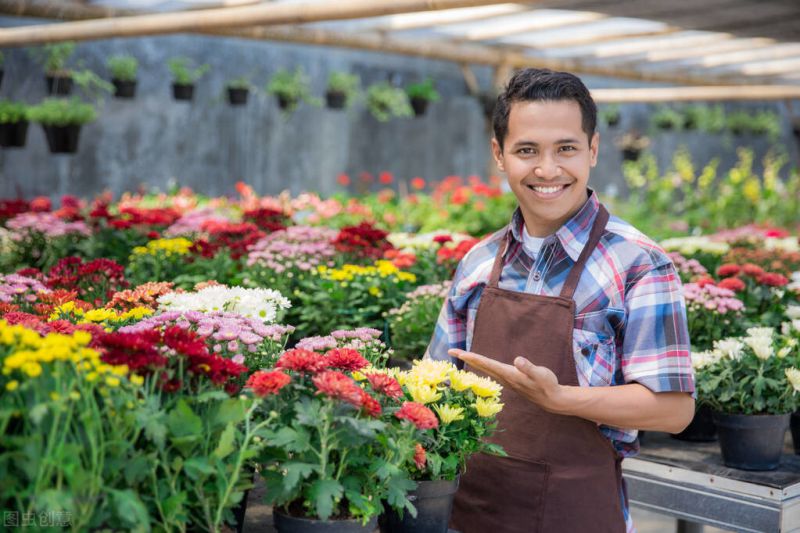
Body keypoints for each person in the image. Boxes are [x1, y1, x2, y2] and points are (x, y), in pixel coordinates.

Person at [425, 68, 695, 533]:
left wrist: (561, 398)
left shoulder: (638, 263)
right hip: (470, 513)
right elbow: (433, 384)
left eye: (566, 149)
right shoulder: (477, 262)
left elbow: (673, 410)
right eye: (527, 150)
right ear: (499, 155)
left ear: (592, 150)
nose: (547, 170)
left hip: (578, 513)